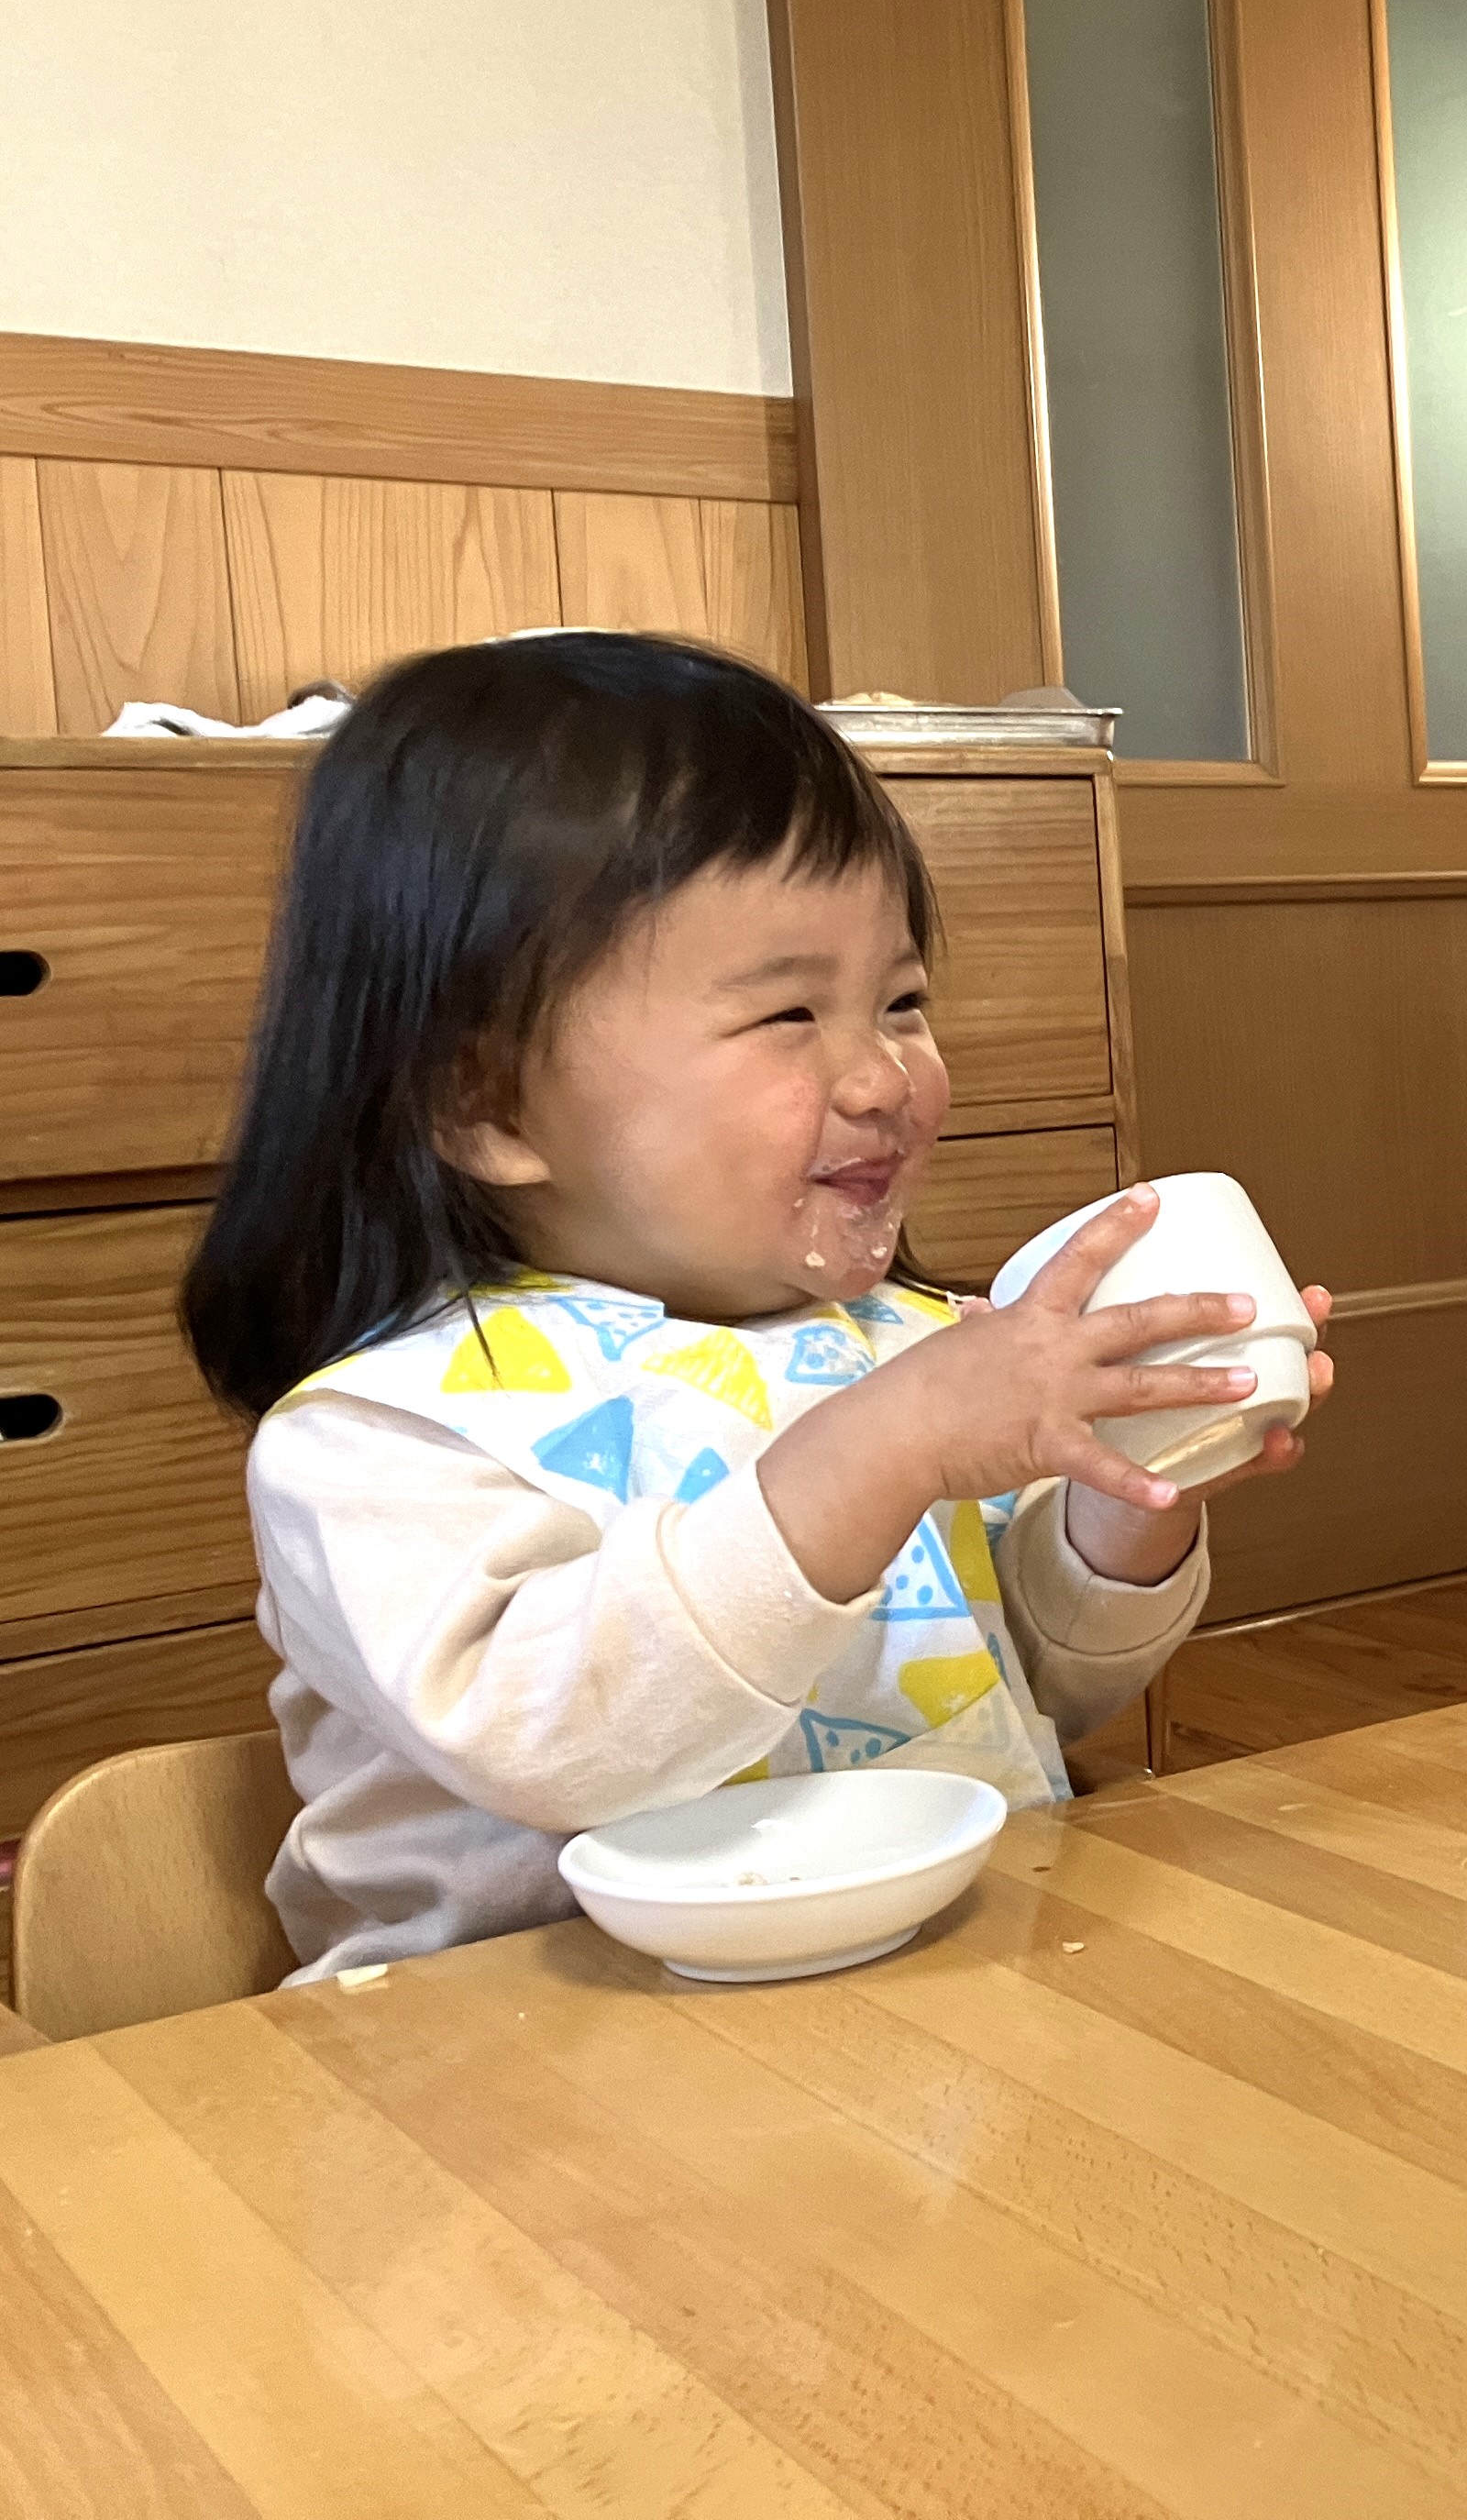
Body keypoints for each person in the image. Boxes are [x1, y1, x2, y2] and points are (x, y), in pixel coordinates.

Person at [180, 633, 1330, 1981]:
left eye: (901, 1002)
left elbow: (1025, 1697)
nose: (883, 1076)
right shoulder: (381, 1439)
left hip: (919, 2009)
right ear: (488, 1103)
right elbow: (560, 1744)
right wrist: (881, 1452)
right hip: (501, 2084)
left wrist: (1126, 1506)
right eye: (789, 1015)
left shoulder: (901, 1349)